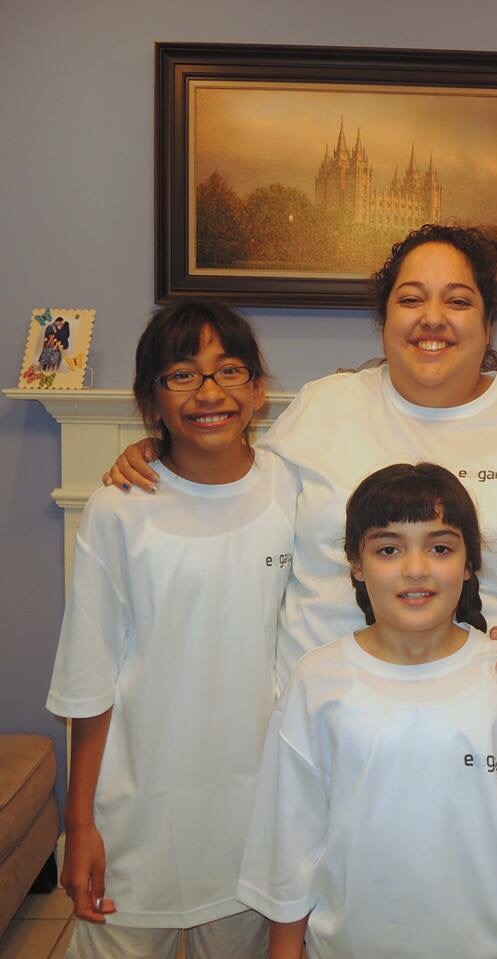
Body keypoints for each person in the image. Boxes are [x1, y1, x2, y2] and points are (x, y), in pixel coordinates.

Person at [106, 225, 497, 708]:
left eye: (458, 301)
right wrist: (167, 453)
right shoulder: (324, 407)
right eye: (411, 299)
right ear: (384, 320)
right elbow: (244, 493)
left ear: (488, 325)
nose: (432, 318)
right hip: (324, 716)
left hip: (492, 717)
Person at [237, 462, 497, 959]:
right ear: (356, 564)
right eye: (389, 549)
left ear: (469, 564)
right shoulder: (318, 680)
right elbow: (290, 844)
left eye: (440, 548)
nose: (416, 568)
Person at [47, 301, 298, 958]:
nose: (209, 393)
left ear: (258, 389)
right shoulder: (118, 509)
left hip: (252, 814)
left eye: (229, 371)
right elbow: (88, 679)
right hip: (137, 810)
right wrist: (80, 822)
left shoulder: (292, 490)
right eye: (182, 375)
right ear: (150, 401)